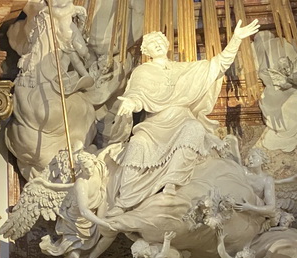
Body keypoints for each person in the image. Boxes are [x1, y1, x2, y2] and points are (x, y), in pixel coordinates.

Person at [110, 19, 260, 212]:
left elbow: (218, 64)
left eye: (159, 41)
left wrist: (236, 39)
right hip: (154, 125)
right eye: (151, 44)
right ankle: (124, 202)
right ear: (146, 51)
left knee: (194, 128)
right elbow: (136, 93)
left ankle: (173, 180)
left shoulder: (184, 69)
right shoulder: (142, 71)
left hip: (181, 119)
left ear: (166, 44)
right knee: (138, 144)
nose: (156, 45)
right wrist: (131, 102)